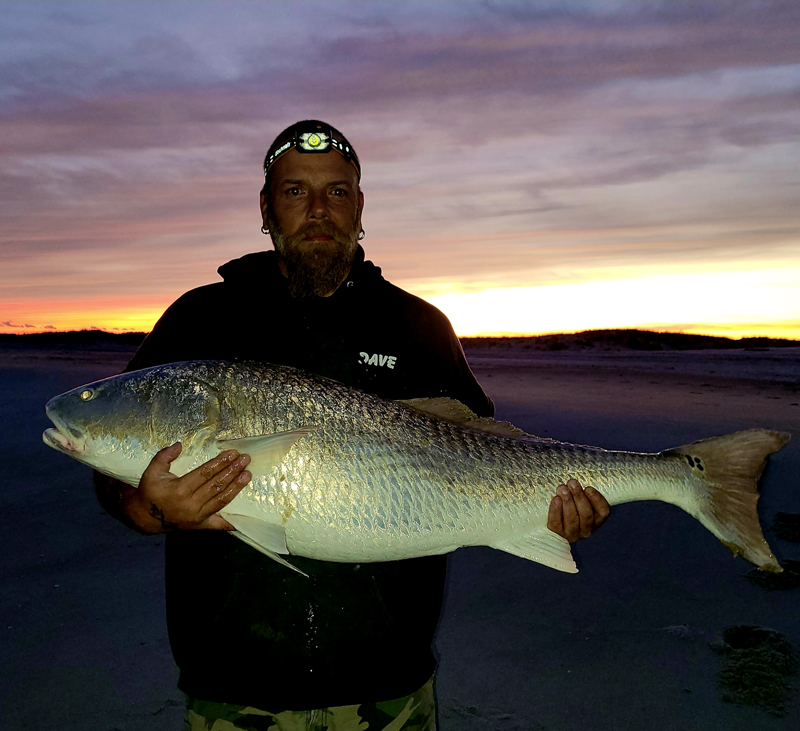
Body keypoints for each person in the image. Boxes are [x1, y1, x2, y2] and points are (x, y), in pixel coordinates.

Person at [94, 120, 610, 730]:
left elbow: (490, 455)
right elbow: (113, 461)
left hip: (388, 688)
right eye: (295, 192)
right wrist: (149, 508)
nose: (318, 209)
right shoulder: (198, 320)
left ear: (361, 206)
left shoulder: (420, 327)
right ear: (265, 207)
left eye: (337, 192)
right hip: (234, 684)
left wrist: (547, 511)